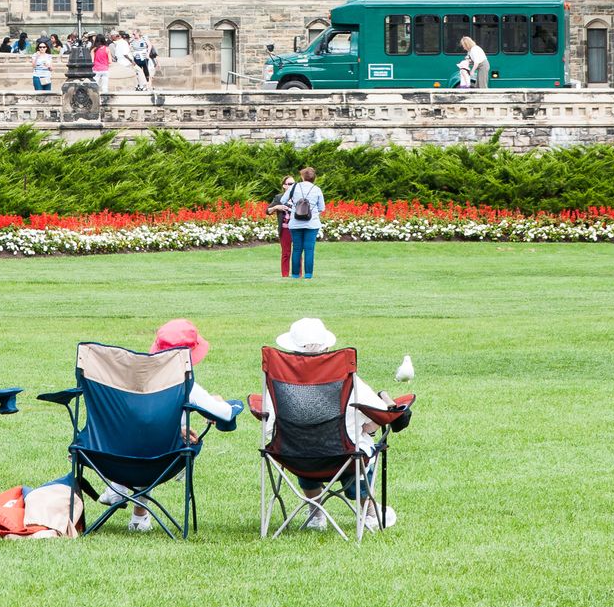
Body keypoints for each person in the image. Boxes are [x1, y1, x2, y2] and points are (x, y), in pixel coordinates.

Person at [103, 319, 242, 532]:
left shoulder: (129, 378)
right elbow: (223, 413)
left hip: (111, 456)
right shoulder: (185, 383)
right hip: (161, 458)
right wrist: (223, 403)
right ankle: (136, 514)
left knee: (143, 439)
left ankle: (120, 488)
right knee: (173, 444)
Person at [268, 317, 397, 530]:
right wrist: (369, 428)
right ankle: (371, 512)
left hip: (293, 456)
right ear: (327, 348)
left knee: (304, 441)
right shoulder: (344, 376)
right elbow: (381, 411)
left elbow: (268, 419)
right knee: (364, 446)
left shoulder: (279, 379)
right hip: (344, 457)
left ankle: (315, 513)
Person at [285, 165, 326, 280]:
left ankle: (294, 275)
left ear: (302, 177)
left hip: (295, 222)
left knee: (297, 249)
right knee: (309, 249)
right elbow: (322, 208)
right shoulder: (317, 189)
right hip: (312, 223)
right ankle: (308, 275)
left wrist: (294, 206)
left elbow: (284, 200)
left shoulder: (294, 187)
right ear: (314, 178)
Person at [268, 174, 296, 278]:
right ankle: (285, 275)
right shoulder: (279, 197)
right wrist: (276, 207)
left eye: (293, 184)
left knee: (297, 252)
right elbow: (268, 211)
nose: (292, 186)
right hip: (285, 229)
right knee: (286, 253)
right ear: (284, 186)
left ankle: (297, 274)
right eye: (289, 184)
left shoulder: (298, 196)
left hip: (297, 228)